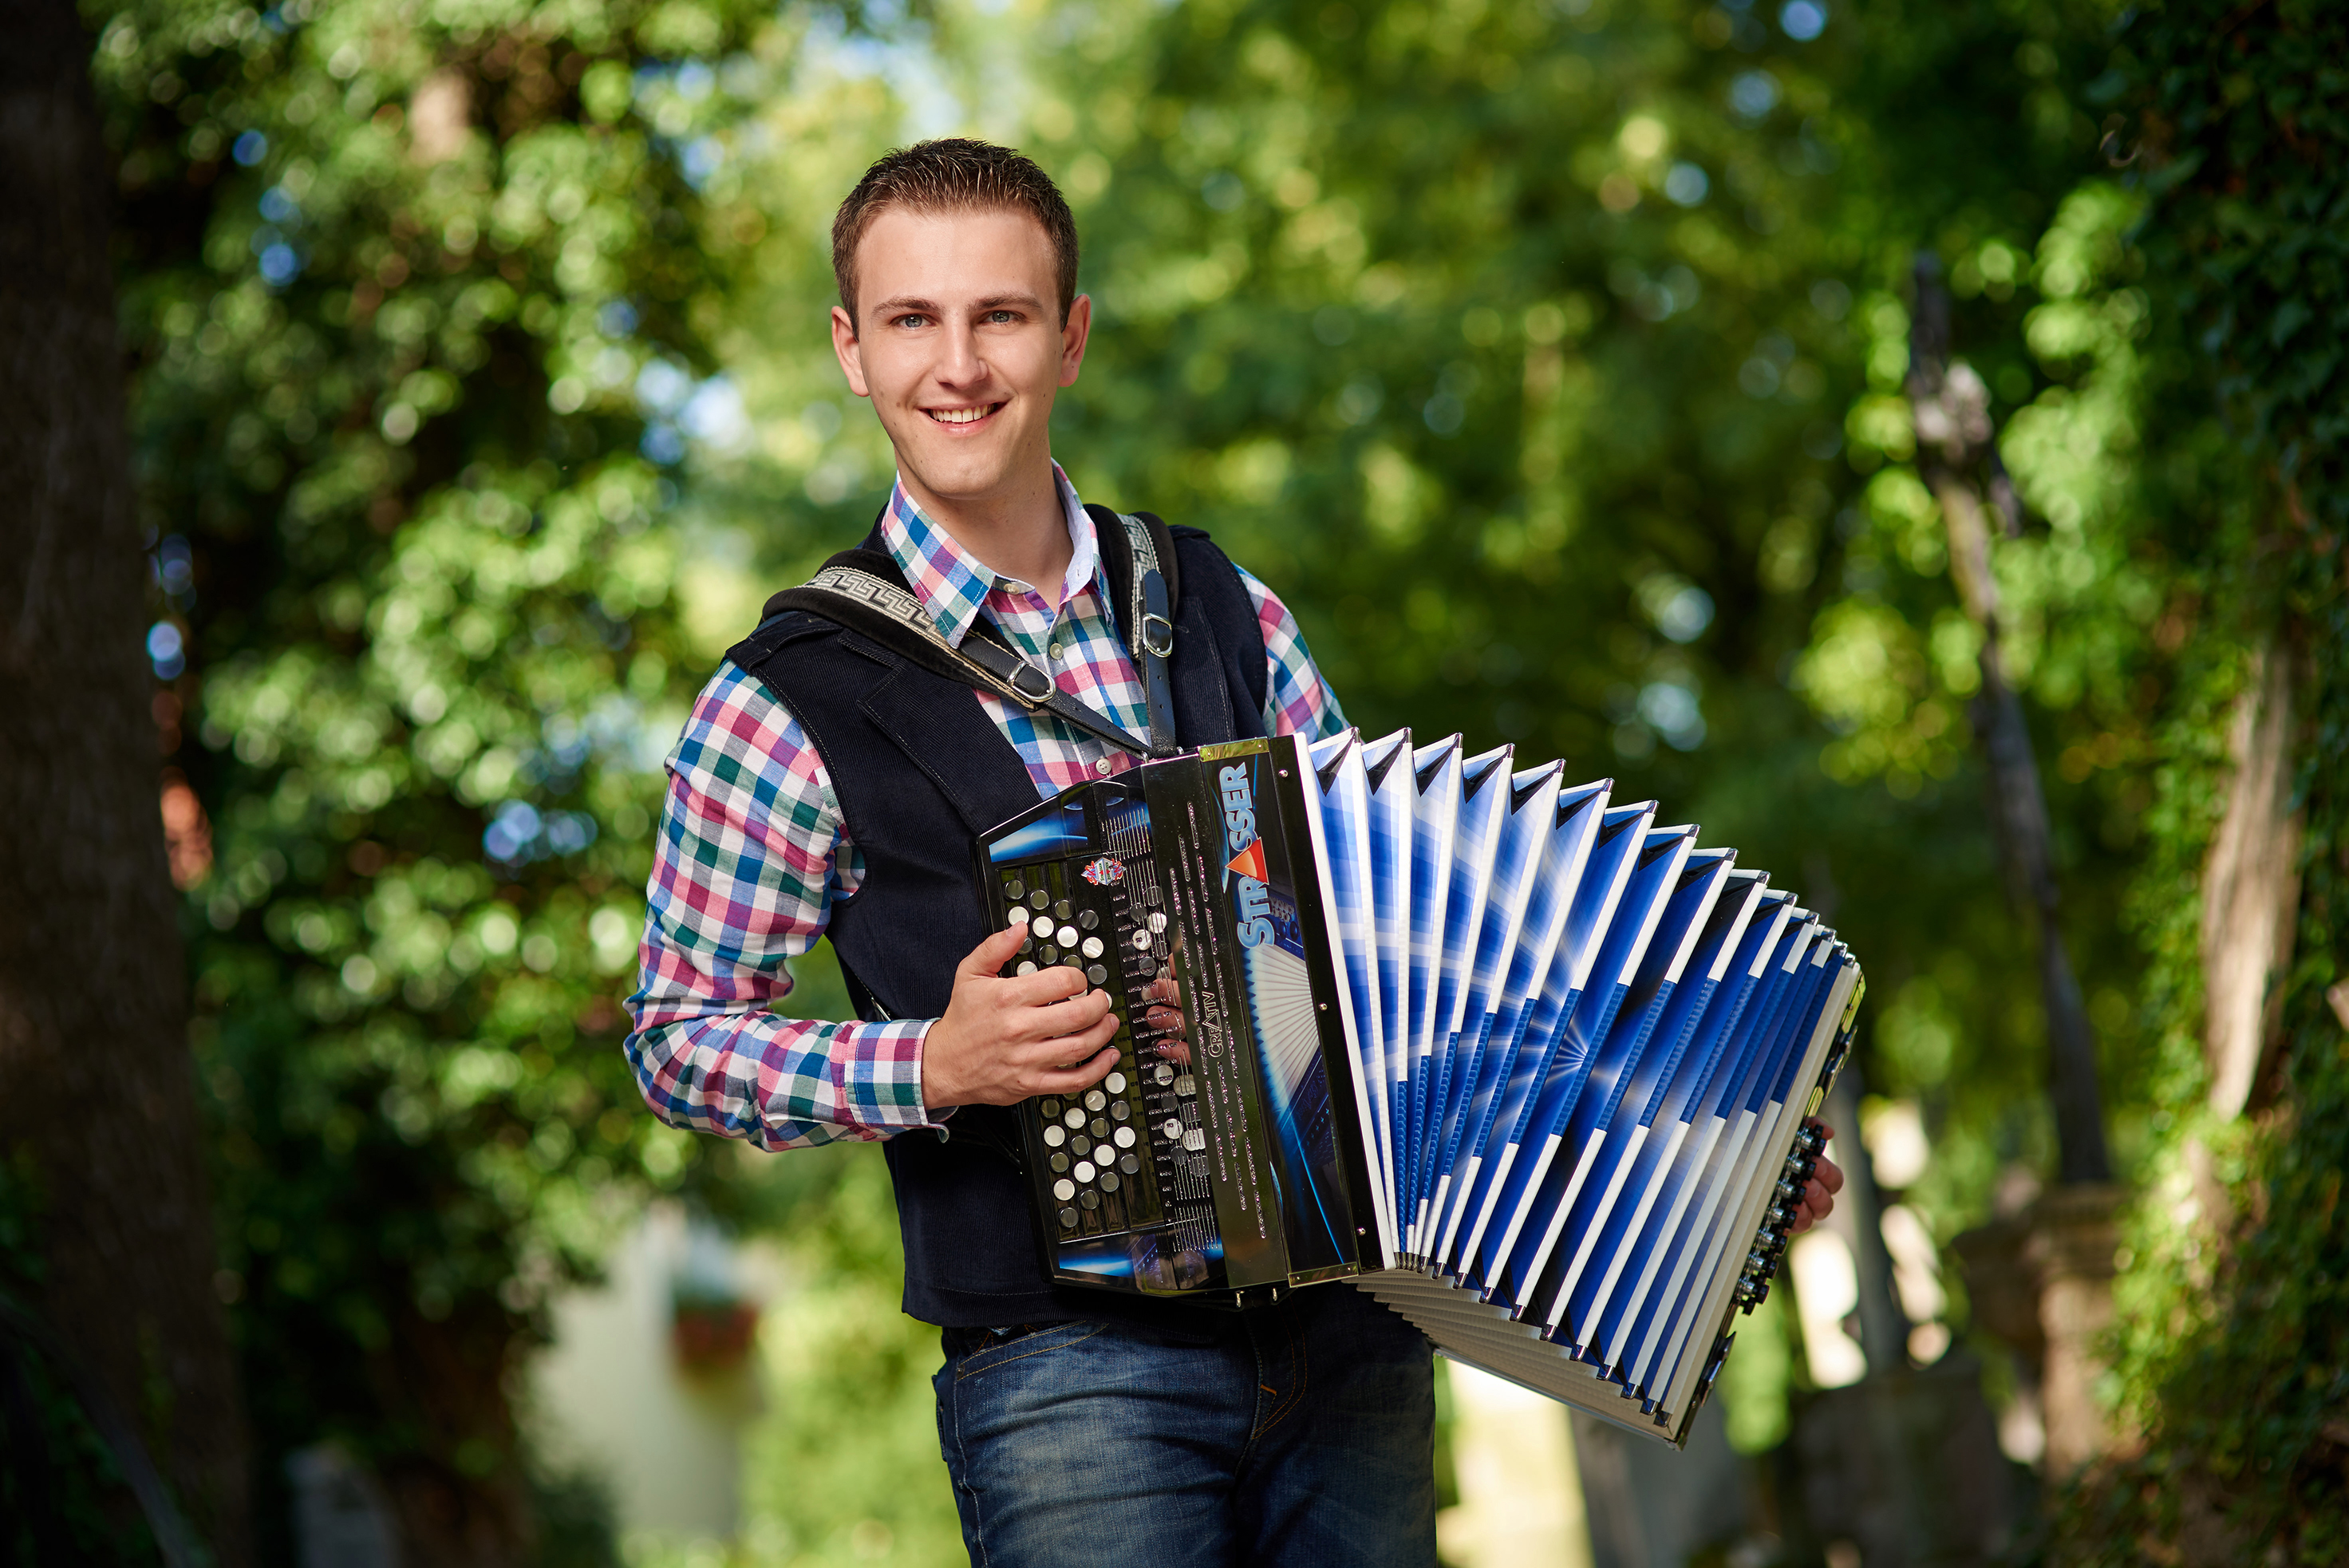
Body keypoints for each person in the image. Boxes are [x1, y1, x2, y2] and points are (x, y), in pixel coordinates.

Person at [625, 137, 1842, 1566]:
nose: (958, 365)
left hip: (1351, 1346)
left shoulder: (1221, 604)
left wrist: (1718, 1152)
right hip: (1070, 1380)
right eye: (911, 319)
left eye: (1001, 314)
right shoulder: (783, 699)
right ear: (852, 349)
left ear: (1070, 337)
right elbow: (677, 1039)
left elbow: (1415, 951)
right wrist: (933, 1065)